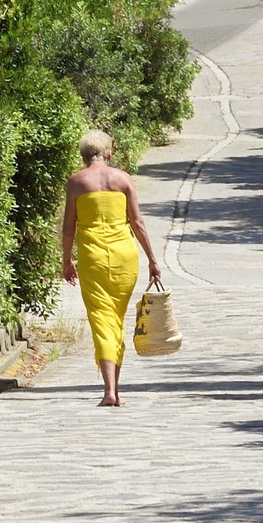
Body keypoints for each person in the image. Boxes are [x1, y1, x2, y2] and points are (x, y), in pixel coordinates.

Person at [61, 129, 162, 407]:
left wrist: (66, 260)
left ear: (83, 157)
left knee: (102, 320)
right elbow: (138, 223)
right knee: (116, 319)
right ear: (109, 153)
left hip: (93, 259)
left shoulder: (77, 183)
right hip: (124, 257)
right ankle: (115, 388)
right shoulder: (122, 179)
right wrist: (152, 259)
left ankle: (109, 390)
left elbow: (69, 228)